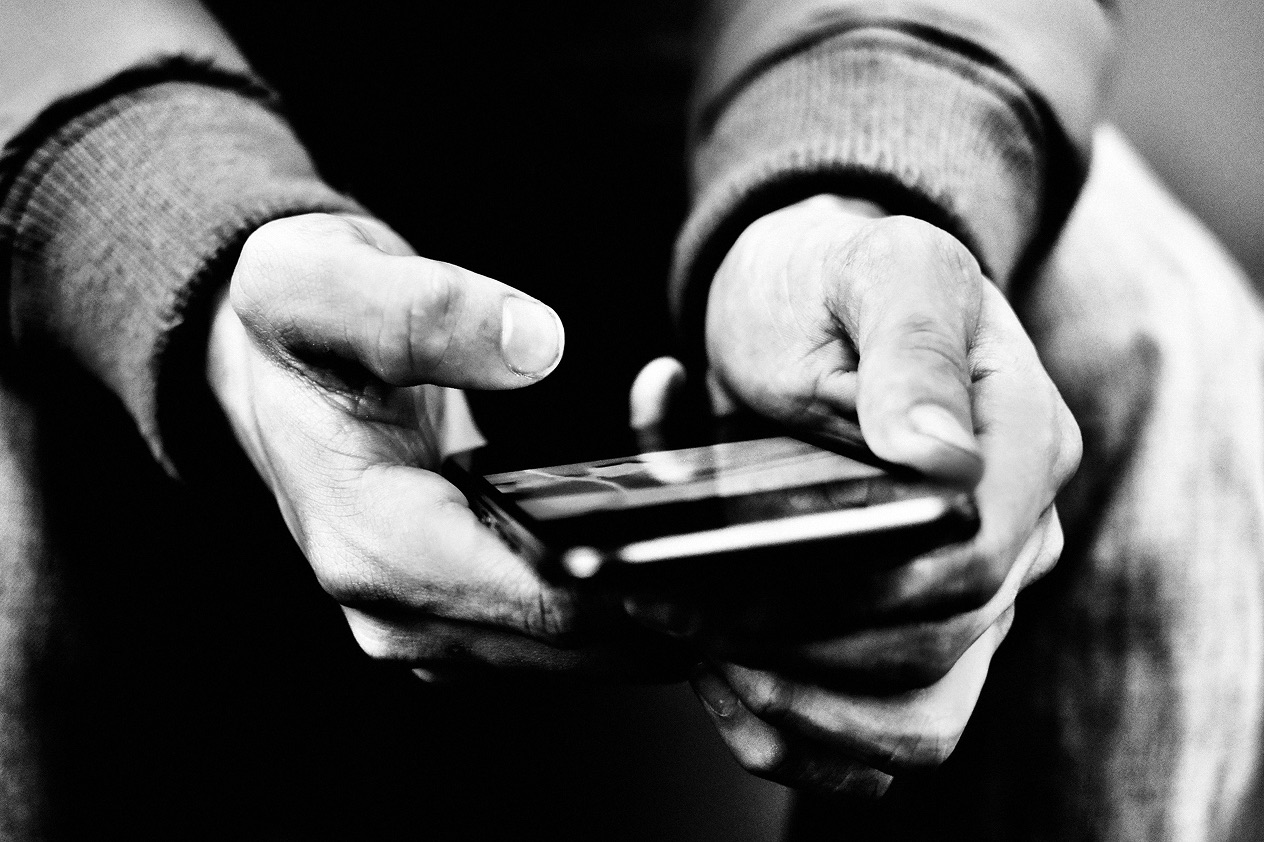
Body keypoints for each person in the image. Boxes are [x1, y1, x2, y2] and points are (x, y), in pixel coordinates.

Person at [0, 2, 1259, 840]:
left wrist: (857, 181)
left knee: (1145, 336)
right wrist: (151, 208)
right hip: (144, 105)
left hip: (716, 77)